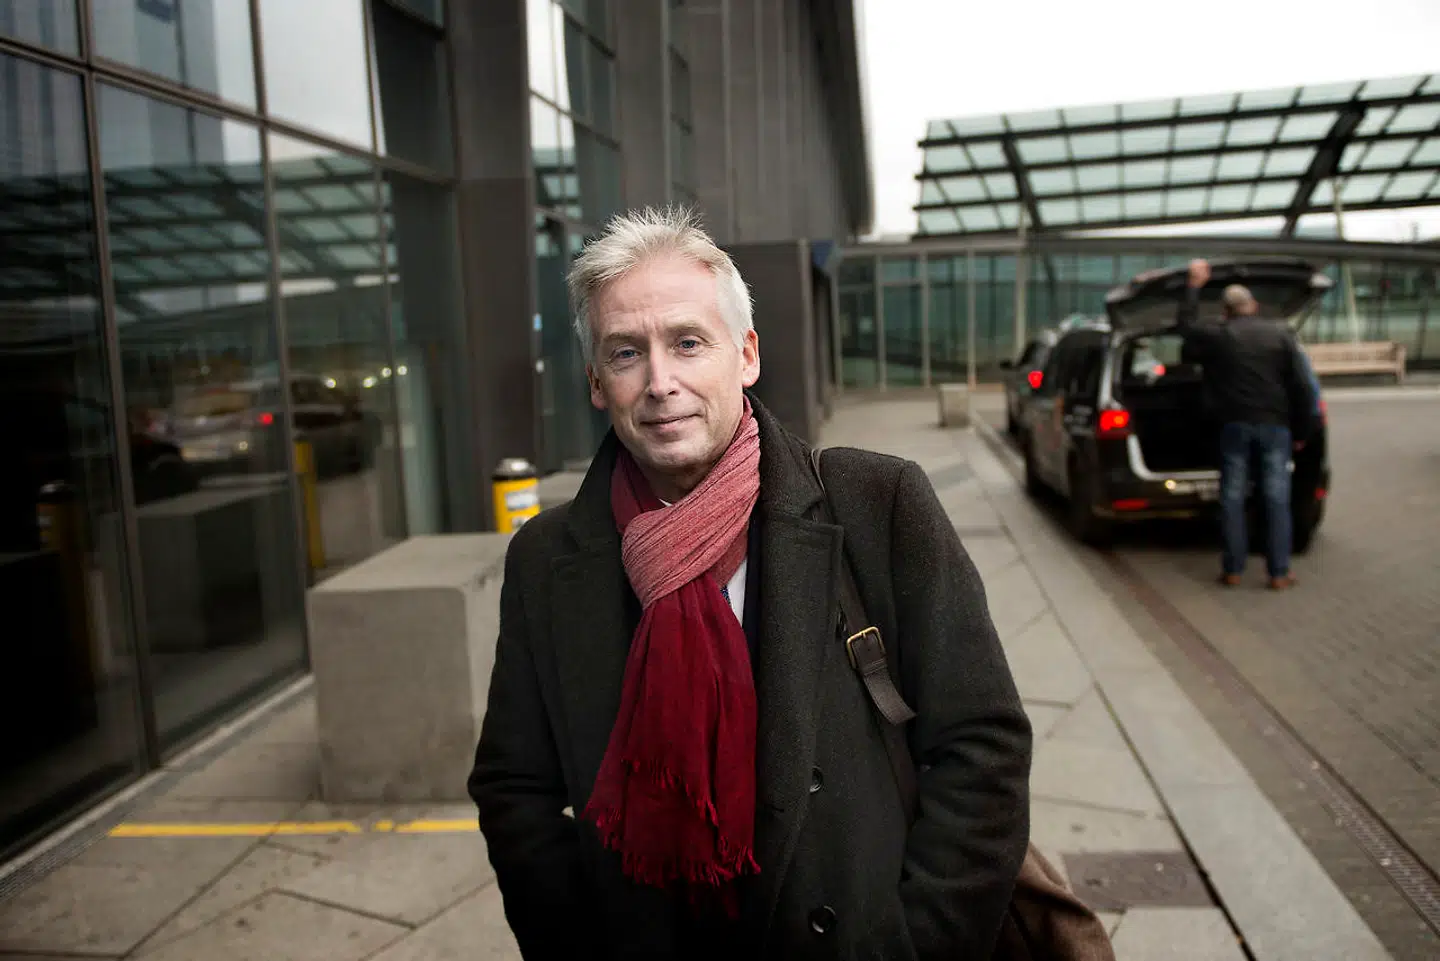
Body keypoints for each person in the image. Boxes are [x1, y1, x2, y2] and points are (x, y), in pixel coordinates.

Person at [469, 207, 1031, 960]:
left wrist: (914, 944)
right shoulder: (546, 558)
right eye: (627, 352)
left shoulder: (877, 504)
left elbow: (982, 746)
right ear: (598, 383)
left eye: (688, 342)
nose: (660, 382)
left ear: (747, 354)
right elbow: (515, 789)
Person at [1178, 259, 1317, 590]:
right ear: (1252, 305)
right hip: (1275, 427)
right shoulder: (1281, 334)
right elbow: (1302, 386)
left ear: (1225, 311)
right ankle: (1278, 573)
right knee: (1276, 498)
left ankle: (1233, 570)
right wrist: (1303, 431)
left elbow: (1186, 326)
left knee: (1232, 497)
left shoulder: (1220, 335)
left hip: (1234, 427)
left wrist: (1194, 286)